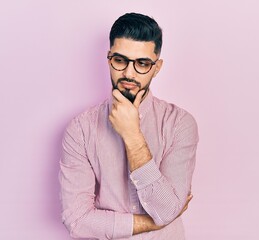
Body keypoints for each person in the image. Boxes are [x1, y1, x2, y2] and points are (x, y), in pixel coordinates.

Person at [59, 12, 199, 239]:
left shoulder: (180, 124)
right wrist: (151, 224)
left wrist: (132, 135)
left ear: (157, 67)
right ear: (109, 59)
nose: (129, 73)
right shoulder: (80, 129)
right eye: (120, 60)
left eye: (142, 63)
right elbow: (77, 220)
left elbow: (166, 211)